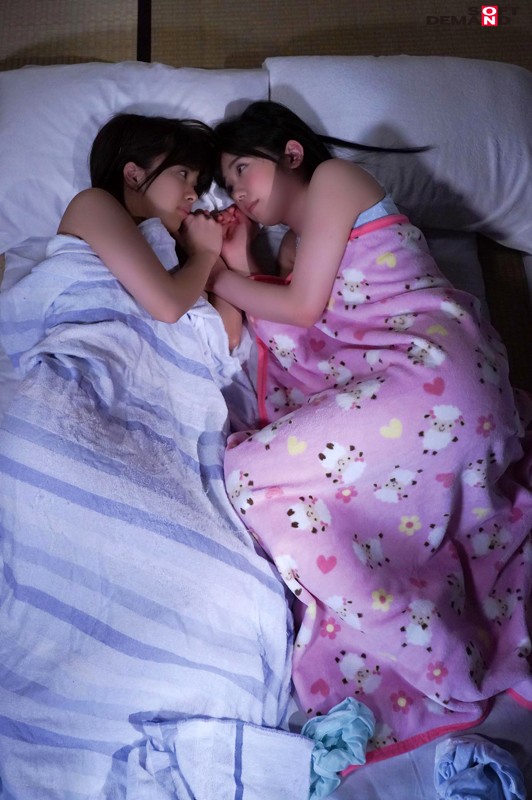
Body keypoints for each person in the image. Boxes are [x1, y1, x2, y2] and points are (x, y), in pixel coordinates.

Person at [209, 101, 532, 756]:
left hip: (435, 373)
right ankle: (426, 630)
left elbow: (302, 308)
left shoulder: (337, 180)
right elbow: (301, 333)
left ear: (291, 153)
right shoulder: (297, 245)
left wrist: (211, 271)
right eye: (229, 181)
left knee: (245, 473)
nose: (237, 191)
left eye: (242, 169)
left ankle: (431, 645)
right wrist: (240, 259)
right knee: (305, 504)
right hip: (422, 402)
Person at [58, 113, 243, 347]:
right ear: (134, 175)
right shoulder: (92, 205)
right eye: (183, 174)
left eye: (195, 185)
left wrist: (213, 251)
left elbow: (227, 337)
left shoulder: (177, 256)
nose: (193, 196)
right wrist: (204, 254)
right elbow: (168, 307)